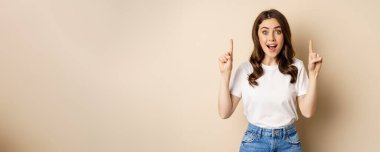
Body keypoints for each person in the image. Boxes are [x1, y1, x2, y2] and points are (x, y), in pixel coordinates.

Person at [217, 9, 323, 152]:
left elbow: (308, 112)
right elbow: (224, 112)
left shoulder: (296, 67)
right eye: (265, 32)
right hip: (254, 142)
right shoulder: (245, 69)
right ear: (257, 36)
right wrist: (225, 75)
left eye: (278, 32)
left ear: (284, 35)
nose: (271, 38)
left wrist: (314, 74)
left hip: (289, 142)